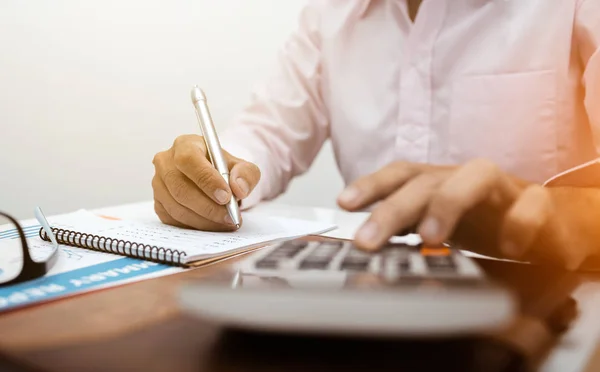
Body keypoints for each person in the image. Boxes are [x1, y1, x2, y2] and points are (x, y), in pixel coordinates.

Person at [152, 0, 600, 270]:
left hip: (540, 306)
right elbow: (266, 135)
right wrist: (215, 171)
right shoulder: (331, 14)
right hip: (366, 296)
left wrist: (567, 215)